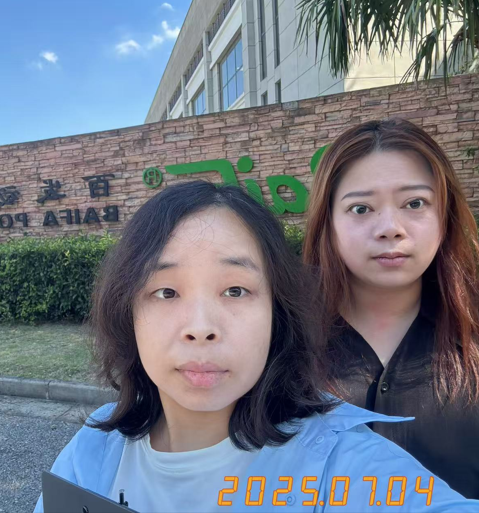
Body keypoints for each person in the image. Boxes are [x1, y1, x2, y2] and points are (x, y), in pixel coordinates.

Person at [34, 180, 478, 512]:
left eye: (236, 290)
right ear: (127, 313)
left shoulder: (338, 465)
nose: (201, 328)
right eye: (166, 292)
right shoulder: (97, 445)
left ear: (275, 314)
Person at [303, 118, 479, 499]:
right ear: (328, 222)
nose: (390, 227)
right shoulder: (282, 339)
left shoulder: (473, 332)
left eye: (414, 203)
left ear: (444, 214)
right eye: (361, 208)